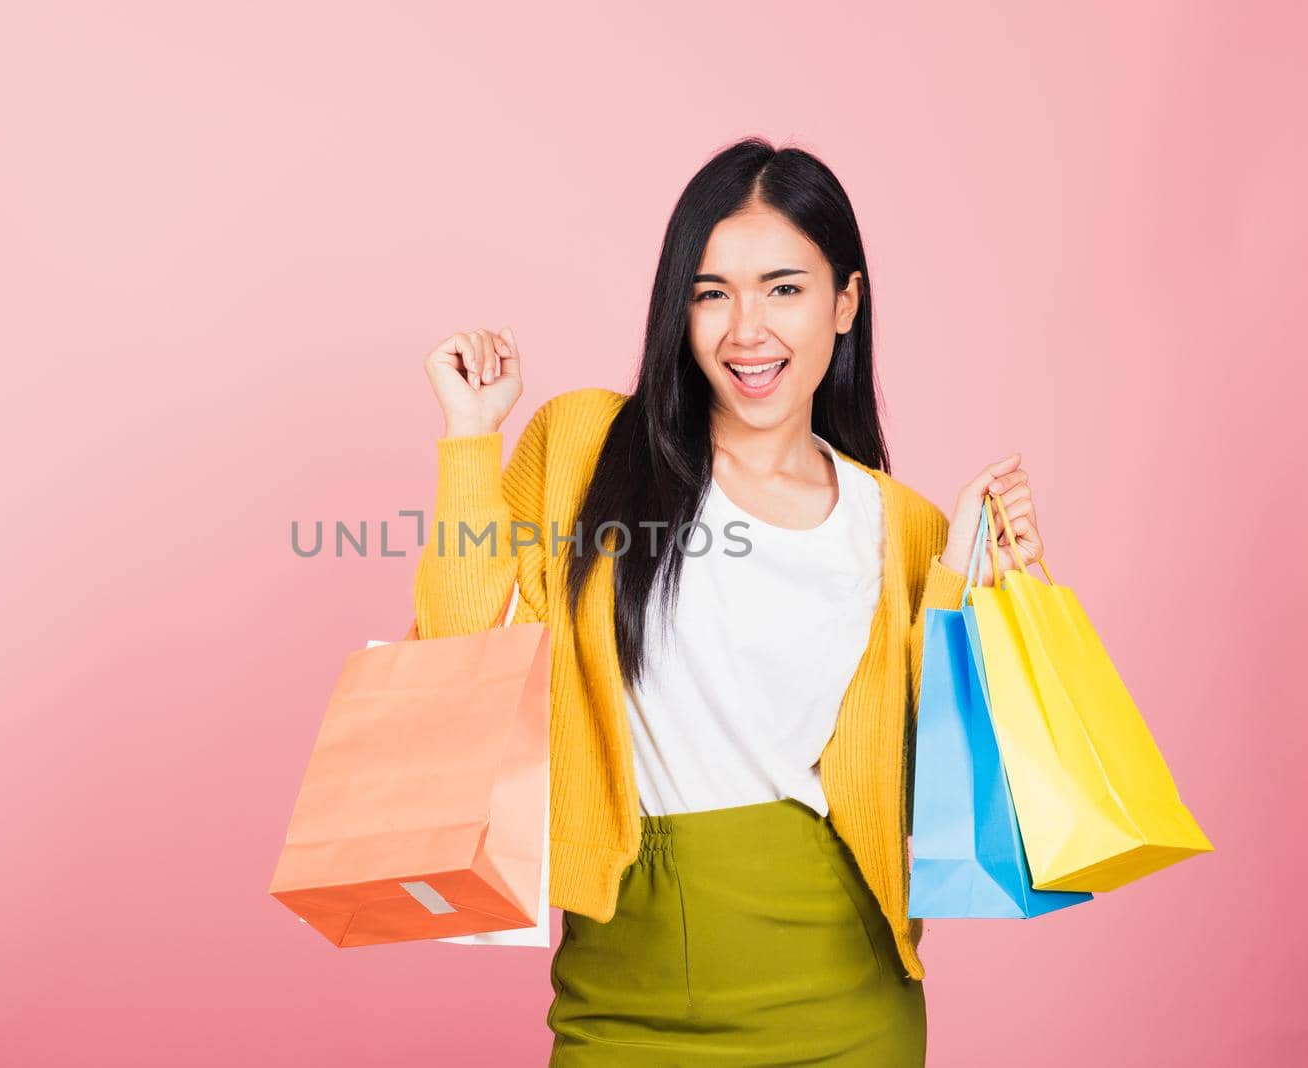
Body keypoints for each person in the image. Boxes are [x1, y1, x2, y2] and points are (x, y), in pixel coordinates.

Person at [413, 138, 1044, 1066]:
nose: (746, 329)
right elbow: (453, 662)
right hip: (618, 997)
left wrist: (987, 591)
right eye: (713, 293)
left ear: (846, 303)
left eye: (784, 288)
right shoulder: (587, 448)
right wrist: (472, 439)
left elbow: (930, 792)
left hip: (845, 1000)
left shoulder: (902, 527)